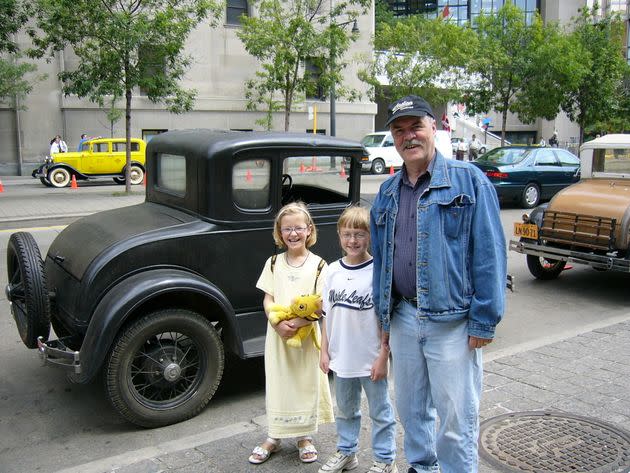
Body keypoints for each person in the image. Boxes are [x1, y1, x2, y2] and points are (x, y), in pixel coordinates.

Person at [370, 95, 507, 473]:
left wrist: (484, 319)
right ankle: (422, 467)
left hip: (453, 324)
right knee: (412, 411)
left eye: (415, 126)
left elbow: (490, 254)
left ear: (436, 127)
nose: (407, 136)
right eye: (399, 130)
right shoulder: (386, 193)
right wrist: (384, 320)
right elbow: (381, 262)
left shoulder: (469, 182)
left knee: (455, 420)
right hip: (404, 317)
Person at [249, 202, 334, 465]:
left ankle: (304, 437)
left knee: (304, 384)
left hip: (306, 338)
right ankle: (274, 436)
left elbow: (322, 305)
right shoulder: (273, 263)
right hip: (278, 337)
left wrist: (296, 323)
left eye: (299, 228)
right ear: (279, 232)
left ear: (309, 230)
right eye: (287, 229)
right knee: (278, 383)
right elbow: (268, 297)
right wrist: (275, 323)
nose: (293, 234)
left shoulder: (320, 266)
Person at [318, 206, 397, 473]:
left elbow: (386, 317)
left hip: (371, 358)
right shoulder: (331, 271)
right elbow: (326, 315)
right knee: (346, 411)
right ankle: (347, 452)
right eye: (347, 234)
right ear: (339, 235)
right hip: (342, 359)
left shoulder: (378, 270)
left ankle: (386, 460)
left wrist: (383, 355)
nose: (353, 241)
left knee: (381, 413)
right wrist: (324, 351)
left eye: (360, 234)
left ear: (370, 236)